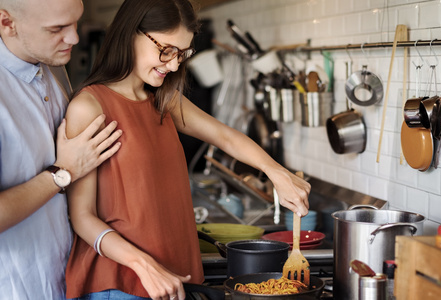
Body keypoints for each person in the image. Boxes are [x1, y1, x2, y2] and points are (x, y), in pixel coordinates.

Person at [64, 0, 311, 299]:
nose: (174, 64)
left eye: (182, 53)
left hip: (176, 278)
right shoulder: (89, 107)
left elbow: (226, 137)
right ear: (131, 33)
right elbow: (82, 217)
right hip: (121, 283)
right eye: (166, 50)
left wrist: (277, 172)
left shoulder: (163, 100)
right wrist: (144, 265)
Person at [0, 0, 123, 298]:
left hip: (64, 278)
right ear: (7, 22)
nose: (74, 38)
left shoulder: (52, 66)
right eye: (57, 28)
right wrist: (63, 172)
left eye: (75, 23)